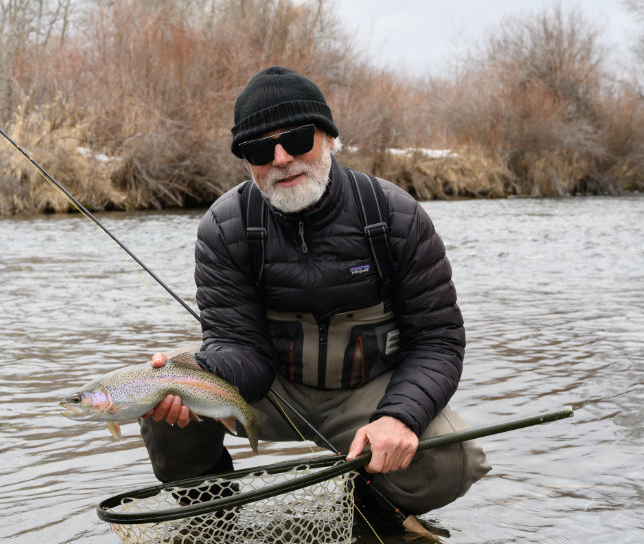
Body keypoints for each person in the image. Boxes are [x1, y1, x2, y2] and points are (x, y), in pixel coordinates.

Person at [139, 66, 490, 515]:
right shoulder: (224, 228)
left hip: (367, 392)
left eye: (298, 139)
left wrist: (399, 416)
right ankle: (211, 515)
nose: (282, 158)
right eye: (261, 149)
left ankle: (369, 503)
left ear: (328, 137)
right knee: (166, 403)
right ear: (247, 162)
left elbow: (437, 342)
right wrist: (190, 375)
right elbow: (240, 348)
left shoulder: (395, 215)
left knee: (450, 460)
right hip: (272, 391)